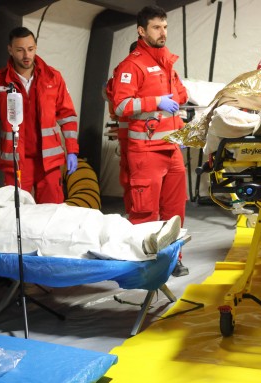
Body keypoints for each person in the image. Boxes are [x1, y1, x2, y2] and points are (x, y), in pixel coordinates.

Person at [107, 5, 190, 277]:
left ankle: (172, 259)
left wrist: (171, 104)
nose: (162, 32)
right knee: (145, 214)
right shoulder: (132, 66)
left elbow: (181, 94)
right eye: (156, 27)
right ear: (142, 31)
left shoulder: (166, 61)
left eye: (165, 26)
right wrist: (157, 101)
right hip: (145, 152)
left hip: (171, 149)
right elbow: (120, 105)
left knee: (175, 211)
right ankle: (143, 265)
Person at [0, 27, 79, 204]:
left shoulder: (53, 77)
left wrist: (72, 151)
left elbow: (68, 117)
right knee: (17, 216)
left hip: (48, 162)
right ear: (10, 49)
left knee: (51, 215)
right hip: (16, 161)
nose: (26, 55)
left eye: (31, 49)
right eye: (20, 50)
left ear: (36, 47)